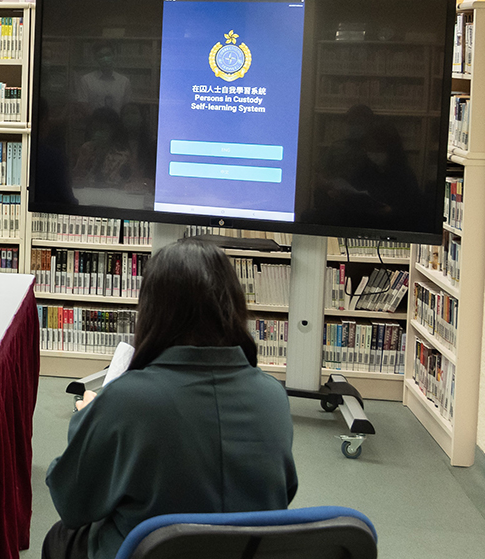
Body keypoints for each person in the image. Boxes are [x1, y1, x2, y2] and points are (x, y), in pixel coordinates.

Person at [43, 238, 297, 559]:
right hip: (248, 551)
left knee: (61, 537)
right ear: (234, 306)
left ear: (152, 310)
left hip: (148, 552)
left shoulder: (125, 400)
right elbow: (280, 497)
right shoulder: (273, 395)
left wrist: (91, 420)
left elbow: (73, 504)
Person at [76, 41, 132, 114]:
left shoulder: (124, 81)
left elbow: (127, 107)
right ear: (95, 58)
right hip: (95, 123)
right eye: (101, 56)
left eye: (108, 54)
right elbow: (83, 105)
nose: (105, 59)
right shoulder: (86, 80)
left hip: (117, 123)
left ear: (114, 55)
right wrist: (97, 122)